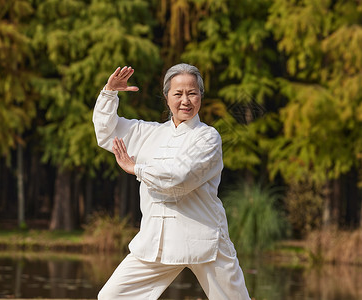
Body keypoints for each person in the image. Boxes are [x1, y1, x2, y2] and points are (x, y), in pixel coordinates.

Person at [93, 63, 251, 299]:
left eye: (192, 93)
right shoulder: (148, 133)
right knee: (111, 297)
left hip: (204, 239)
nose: (185, 100)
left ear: (201, 97)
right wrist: (109, 92)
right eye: (178, 94)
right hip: (155, 242)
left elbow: (179, 178)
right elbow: (106, 133)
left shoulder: (208, 138)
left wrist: (136, 168)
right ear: (166, 97)